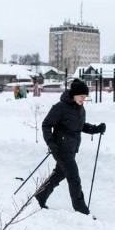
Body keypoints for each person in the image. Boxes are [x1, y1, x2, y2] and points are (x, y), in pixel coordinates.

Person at [34, 79, 106, 215]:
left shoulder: (80, 109)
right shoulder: (60, 107)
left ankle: (40, 196)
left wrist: (96, 129)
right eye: (81, 96)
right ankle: (81, 210)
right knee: (74, 177)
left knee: (59, 174)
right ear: (73, 94)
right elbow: (46, 124)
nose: (83, 100)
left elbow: (80, 126)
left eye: (85, 97)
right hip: (60, 147)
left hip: (72, 148)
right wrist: (50, 142)